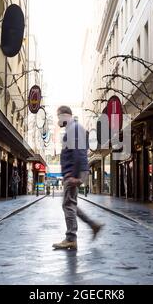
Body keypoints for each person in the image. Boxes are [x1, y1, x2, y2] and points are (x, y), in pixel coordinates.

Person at [52, 106, 104, 250]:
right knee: (71, 204)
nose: (58, 120)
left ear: (64, 115)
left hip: (72, 173)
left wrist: (74, 175)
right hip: (74, 172)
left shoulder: (73, 128)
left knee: (68, 205)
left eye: (58, 117)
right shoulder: (74, 128)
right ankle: (93, 225)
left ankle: (71, 239)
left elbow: (77, 152)